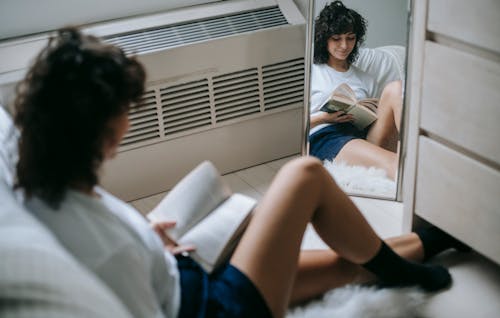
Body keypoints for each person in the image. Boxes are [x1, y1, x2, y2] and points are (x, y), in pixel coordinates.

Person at [13, 27, 466, 318]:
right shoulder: (88, 241)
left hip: (180, 273)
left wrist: (150, 241)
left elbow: (113, 248)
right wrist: (148, 255)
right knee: (302, 175)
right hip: (215, 306)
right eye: (122, 114)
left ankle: (440, 239)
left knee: (341, 266)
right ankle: (407, 271)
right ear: (100, 127)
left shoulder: (48, 177)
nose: (128, 123)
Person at [309, 1, 402, 179]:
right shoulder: (312, 71)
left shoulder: (365, 78)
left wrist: (370, 111)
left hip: (362, 133)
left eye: (350, 38)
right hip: (327, 136)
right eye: (337, 39)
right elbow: (290, 126)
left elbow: (375, 118)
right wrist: (324, 117)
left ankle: (413, 147)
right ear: (324, 39)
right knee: (397, 166)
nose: (344, 45)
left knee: (396, 88)